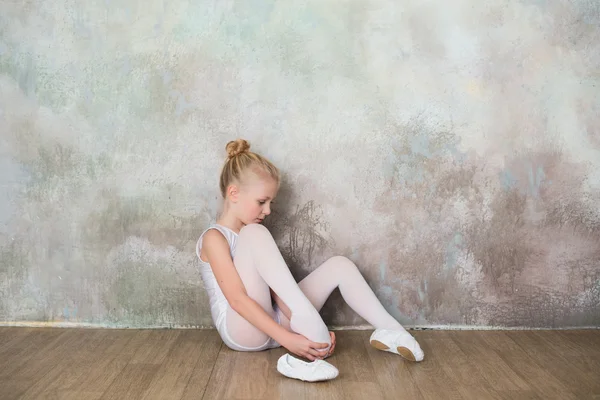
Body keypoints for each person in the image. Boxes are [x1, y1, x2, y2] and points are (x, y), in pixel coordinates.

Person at [196, 139, 424, 382]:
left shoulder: (252, 234)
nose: (269, 210)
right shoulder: (214, 238)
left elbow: (275, 291)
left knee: (340, 266)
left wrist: (302, 333)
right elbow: (238, 300)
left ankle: (393, 332)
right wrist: (288, 340)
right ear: (234, 193)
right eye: (262, 202)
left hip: (274, 322)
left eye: (270, 203)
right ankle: (304, 332)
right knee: (254, 234)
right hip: (243, 331)